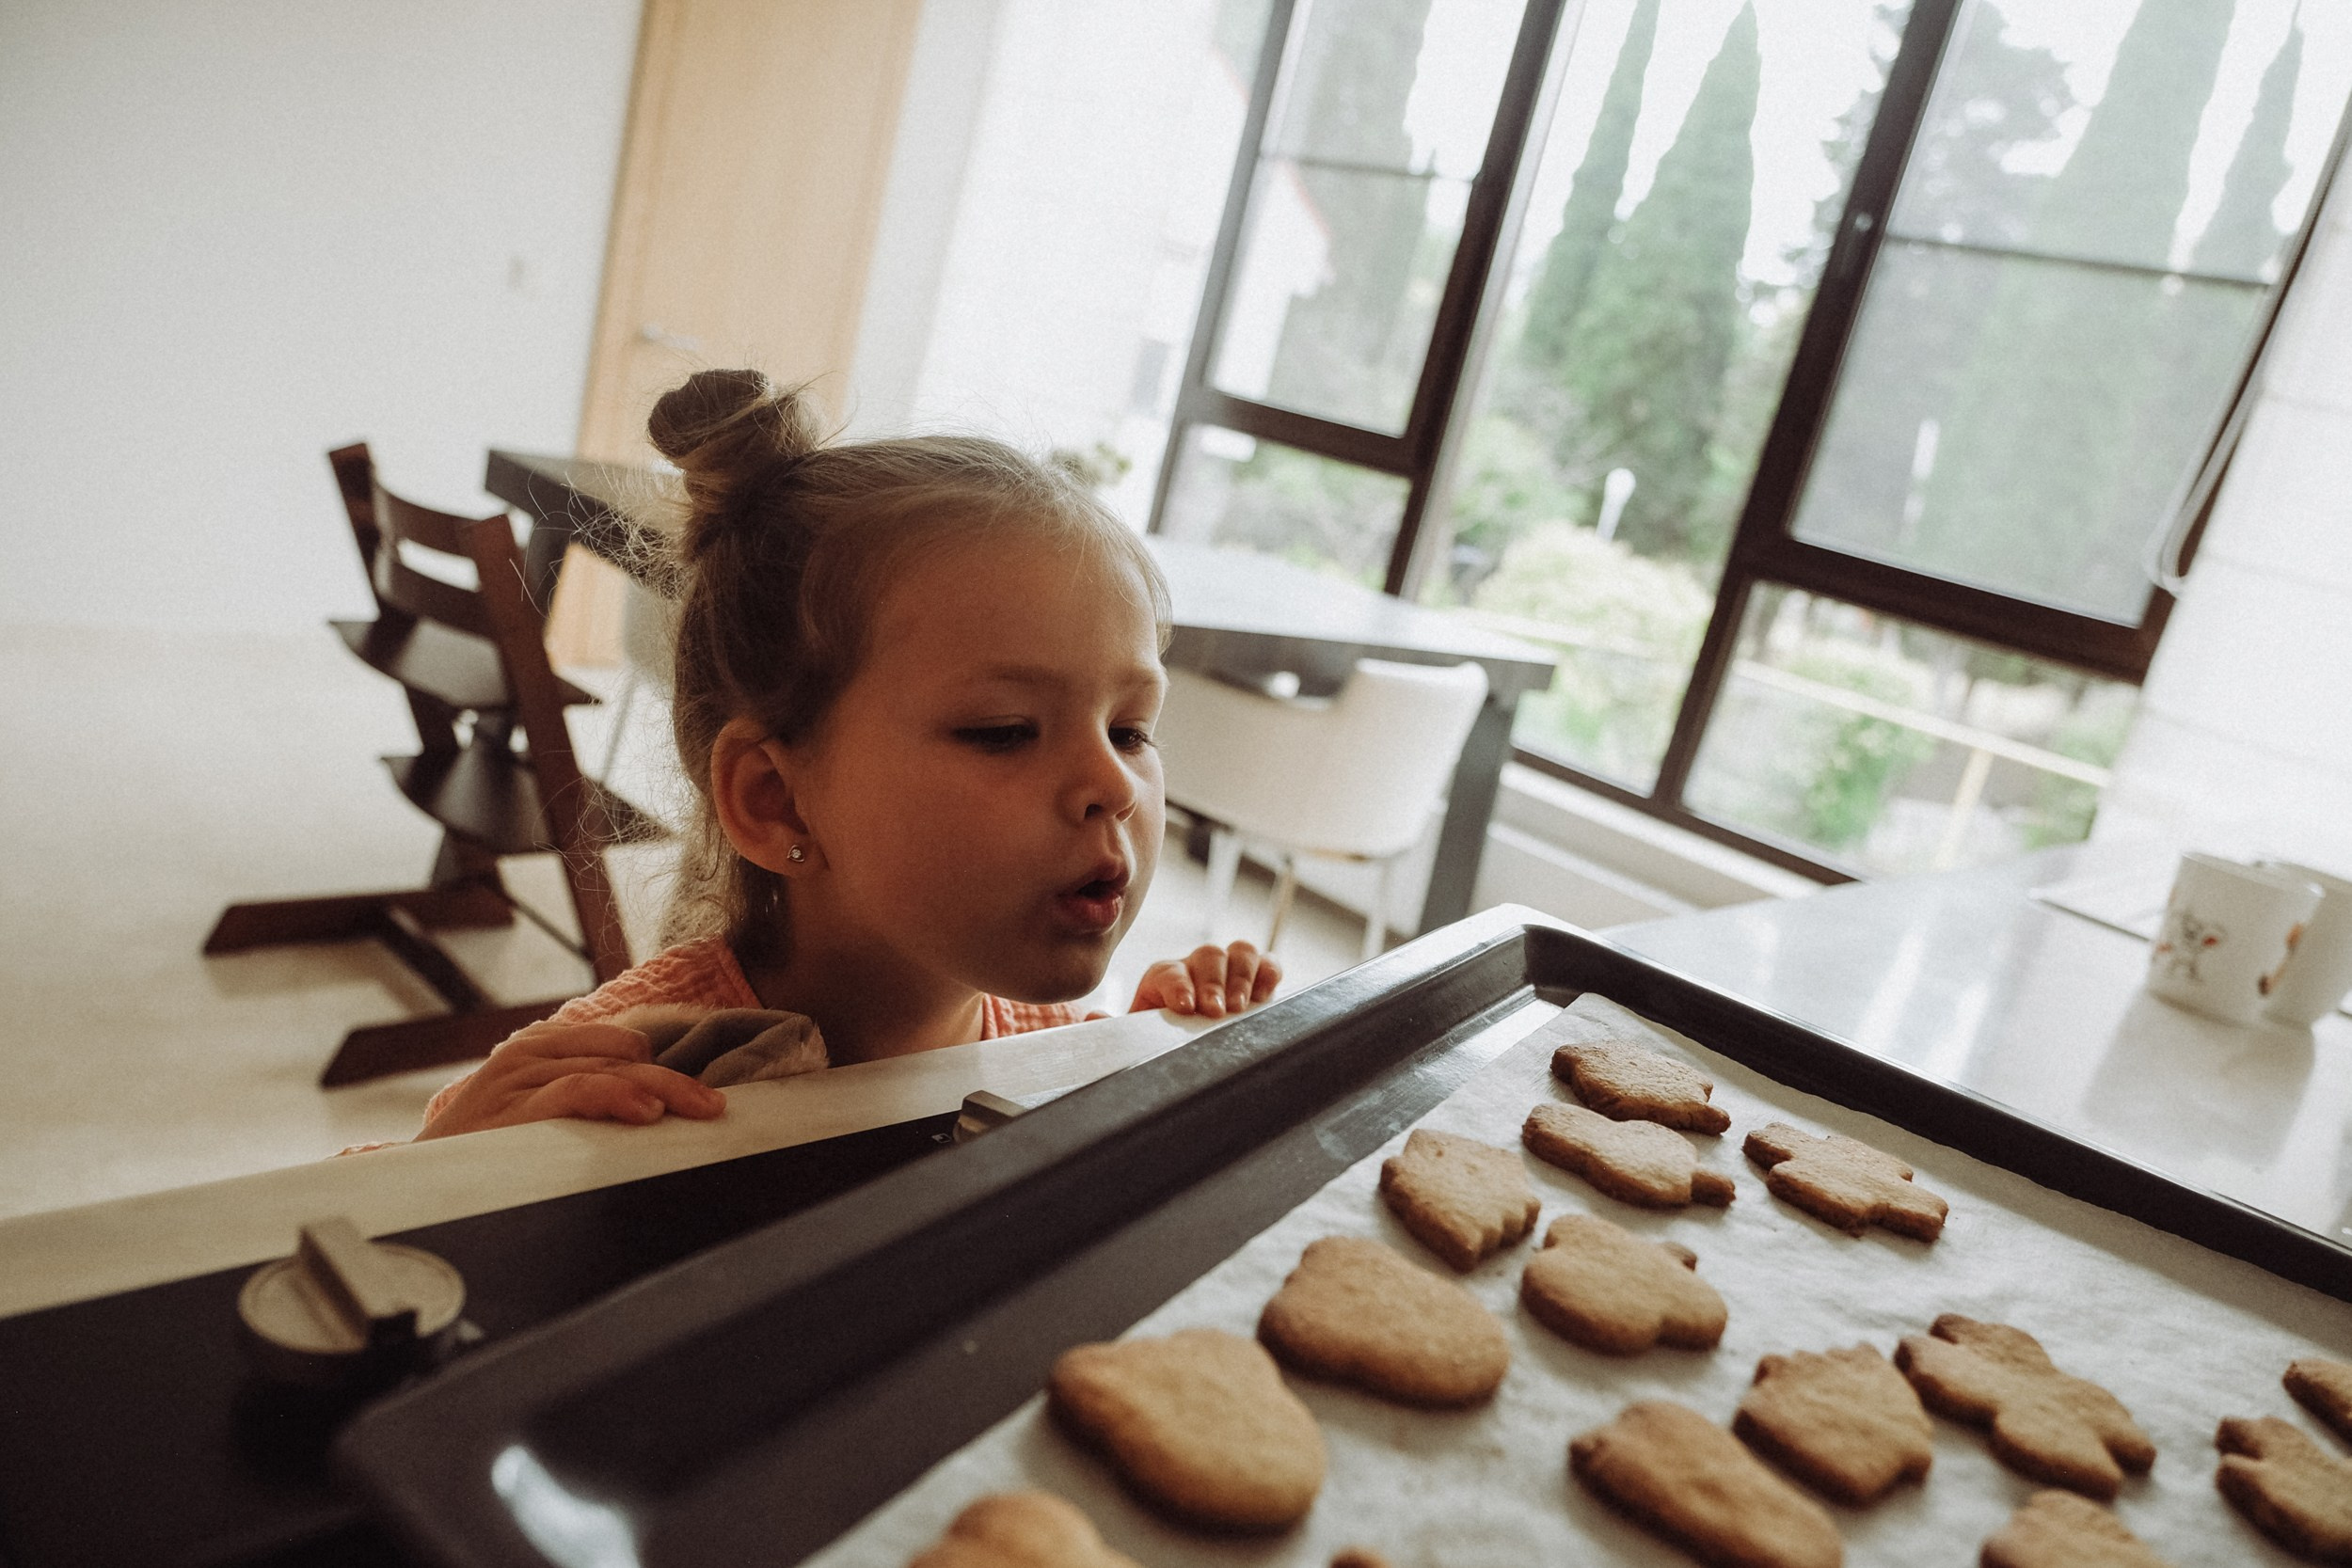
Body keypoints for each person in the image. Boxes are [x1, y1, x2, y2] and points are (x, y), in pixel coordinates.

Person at [411, 370, 1278, 1141]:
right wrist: (451, 1160)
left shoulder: (1039, 1046)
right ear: (777, 801)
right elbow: (347, 1223)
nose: (1113, 784)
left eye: (1130, 730)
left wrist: (1136, 1056)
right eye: (1005, 730)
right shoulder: (634, 1061)